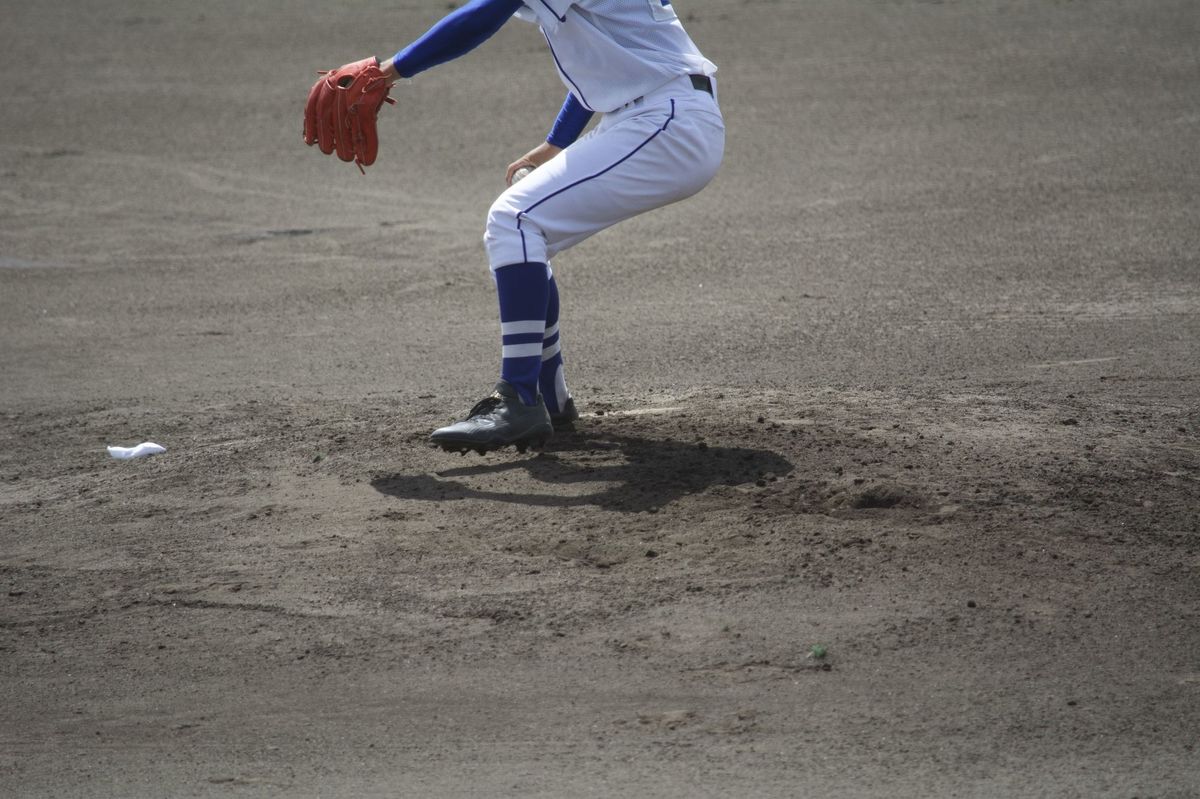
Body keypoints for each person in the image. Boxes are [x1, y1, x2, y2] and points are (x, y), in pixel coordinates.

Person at [369, 0, 725, 453]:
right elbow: (607, 57)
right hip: (657, 113)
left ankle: (518, 399)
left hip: (668, 121)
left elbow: (487, 12)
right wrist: (557, 142)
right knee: (527, 233)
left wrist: (389, 72)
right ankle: (548, 397)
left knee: (513, 219)